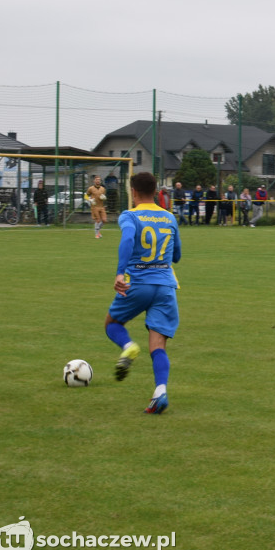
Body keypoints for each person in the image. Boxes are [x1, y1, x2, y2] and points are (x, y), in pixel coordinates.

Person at [103, 172, 181, 414]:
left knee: (112, 323)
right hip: (166, 287)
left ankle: (128, 345)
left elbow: (127, 239)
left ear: (133, 192)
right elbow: (176, 255)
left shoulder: (130, 216)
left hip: (138, 283)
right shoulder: (169, 217)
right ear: (157, 191)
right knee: (158, 345)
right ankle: (160, 392)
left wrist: (119, 272)